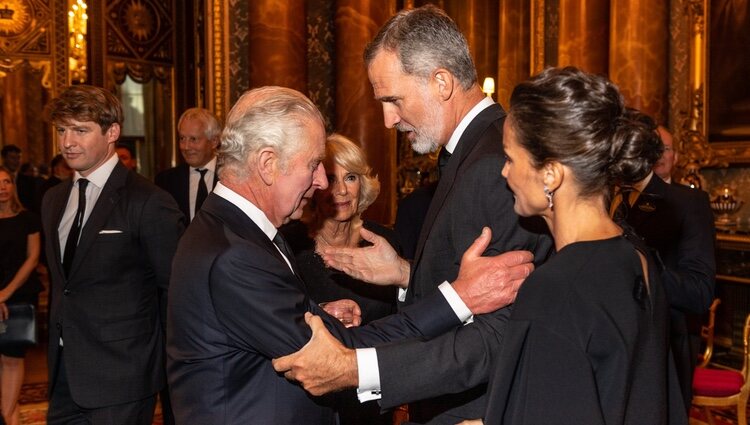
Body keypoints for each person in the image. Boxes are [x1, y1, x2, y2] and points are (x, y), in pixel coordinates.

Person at [274, 67, 688, 425]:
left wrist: (352, 368)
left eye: (510, 158)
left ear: (551, 175)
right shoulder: (633, 254)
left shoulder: (558, 285)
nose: (504, 172)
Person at [166, 86, 534, 425]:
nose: (323, 183)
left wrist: (313, 315)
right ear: (267, 163)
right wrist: (460, 296)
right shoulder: (234, 254)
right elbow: (340, 357)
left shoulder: (233, 232)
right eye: (313, 165)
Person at [312, 5, 552, 422]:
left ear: (441, 82)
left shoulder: (493, 164)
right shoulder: (477, 150)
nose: (387, 120)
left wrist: (359, 368)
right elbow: (472, 282)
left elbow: (500, 330)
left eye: (393, 99)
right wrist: (406, 275)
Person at [41, 85, 185, 424]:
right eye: (62, 129)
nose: (67, 142)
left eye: (80, 129)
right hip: (64, 372)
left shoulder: (149, 200)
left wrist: (172, 367)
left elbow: (176, 291)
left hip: (124, 376)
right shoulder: (53, 200)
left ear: (112, 133)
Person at [281, 133, 398, 425]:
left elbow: (406, 319)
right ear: (314, 185)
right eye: (332, 179)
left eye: (351, 178)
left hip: (375, 398)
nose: (342, 191)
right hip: (312, 399)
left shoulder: (385, 244)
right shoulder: (291, 247)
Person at [617, 117, 716, 413]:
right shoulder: (601, 197)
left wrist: (642, 263)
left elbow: (699, 292)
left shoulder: (686, 203)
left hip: (667, 345)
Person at [0, 166, 43, 425]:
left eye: (6, 182)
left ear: (13, 185)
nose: (2, 187)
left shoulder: (28, 219)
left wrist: (5, 293)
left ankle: (7, 416)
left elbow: (33, 258)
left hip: (21, 296)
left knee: (12, 358)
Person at [155, 107, 221, 222]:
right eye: (182, 138)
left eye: (193, 139)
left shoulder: (232, 178)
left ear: (214, 141)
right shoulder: (165, 181)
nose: (185, 147)